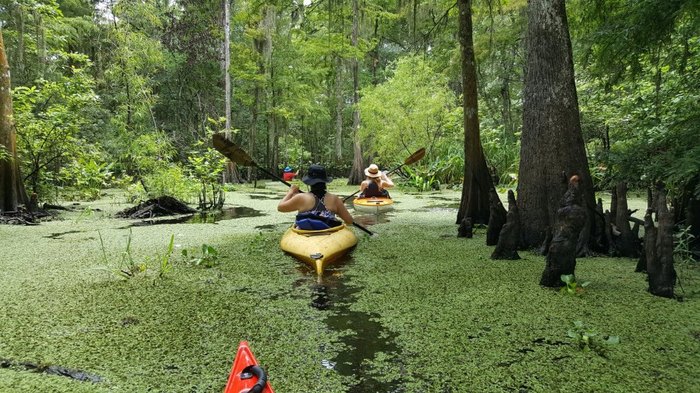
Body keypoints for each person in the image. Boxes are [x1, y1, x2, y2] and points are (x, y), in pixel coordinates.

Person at [278, 164, 354, 230]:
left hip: (305, 232)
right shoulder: (335, 199)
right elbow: (349, 221)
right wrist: (339, 207)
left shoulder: (300, 198)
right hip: (328, 232)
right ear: (325, 181)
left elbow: (280, 207)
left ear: (309, 182)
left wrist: (291, 192)